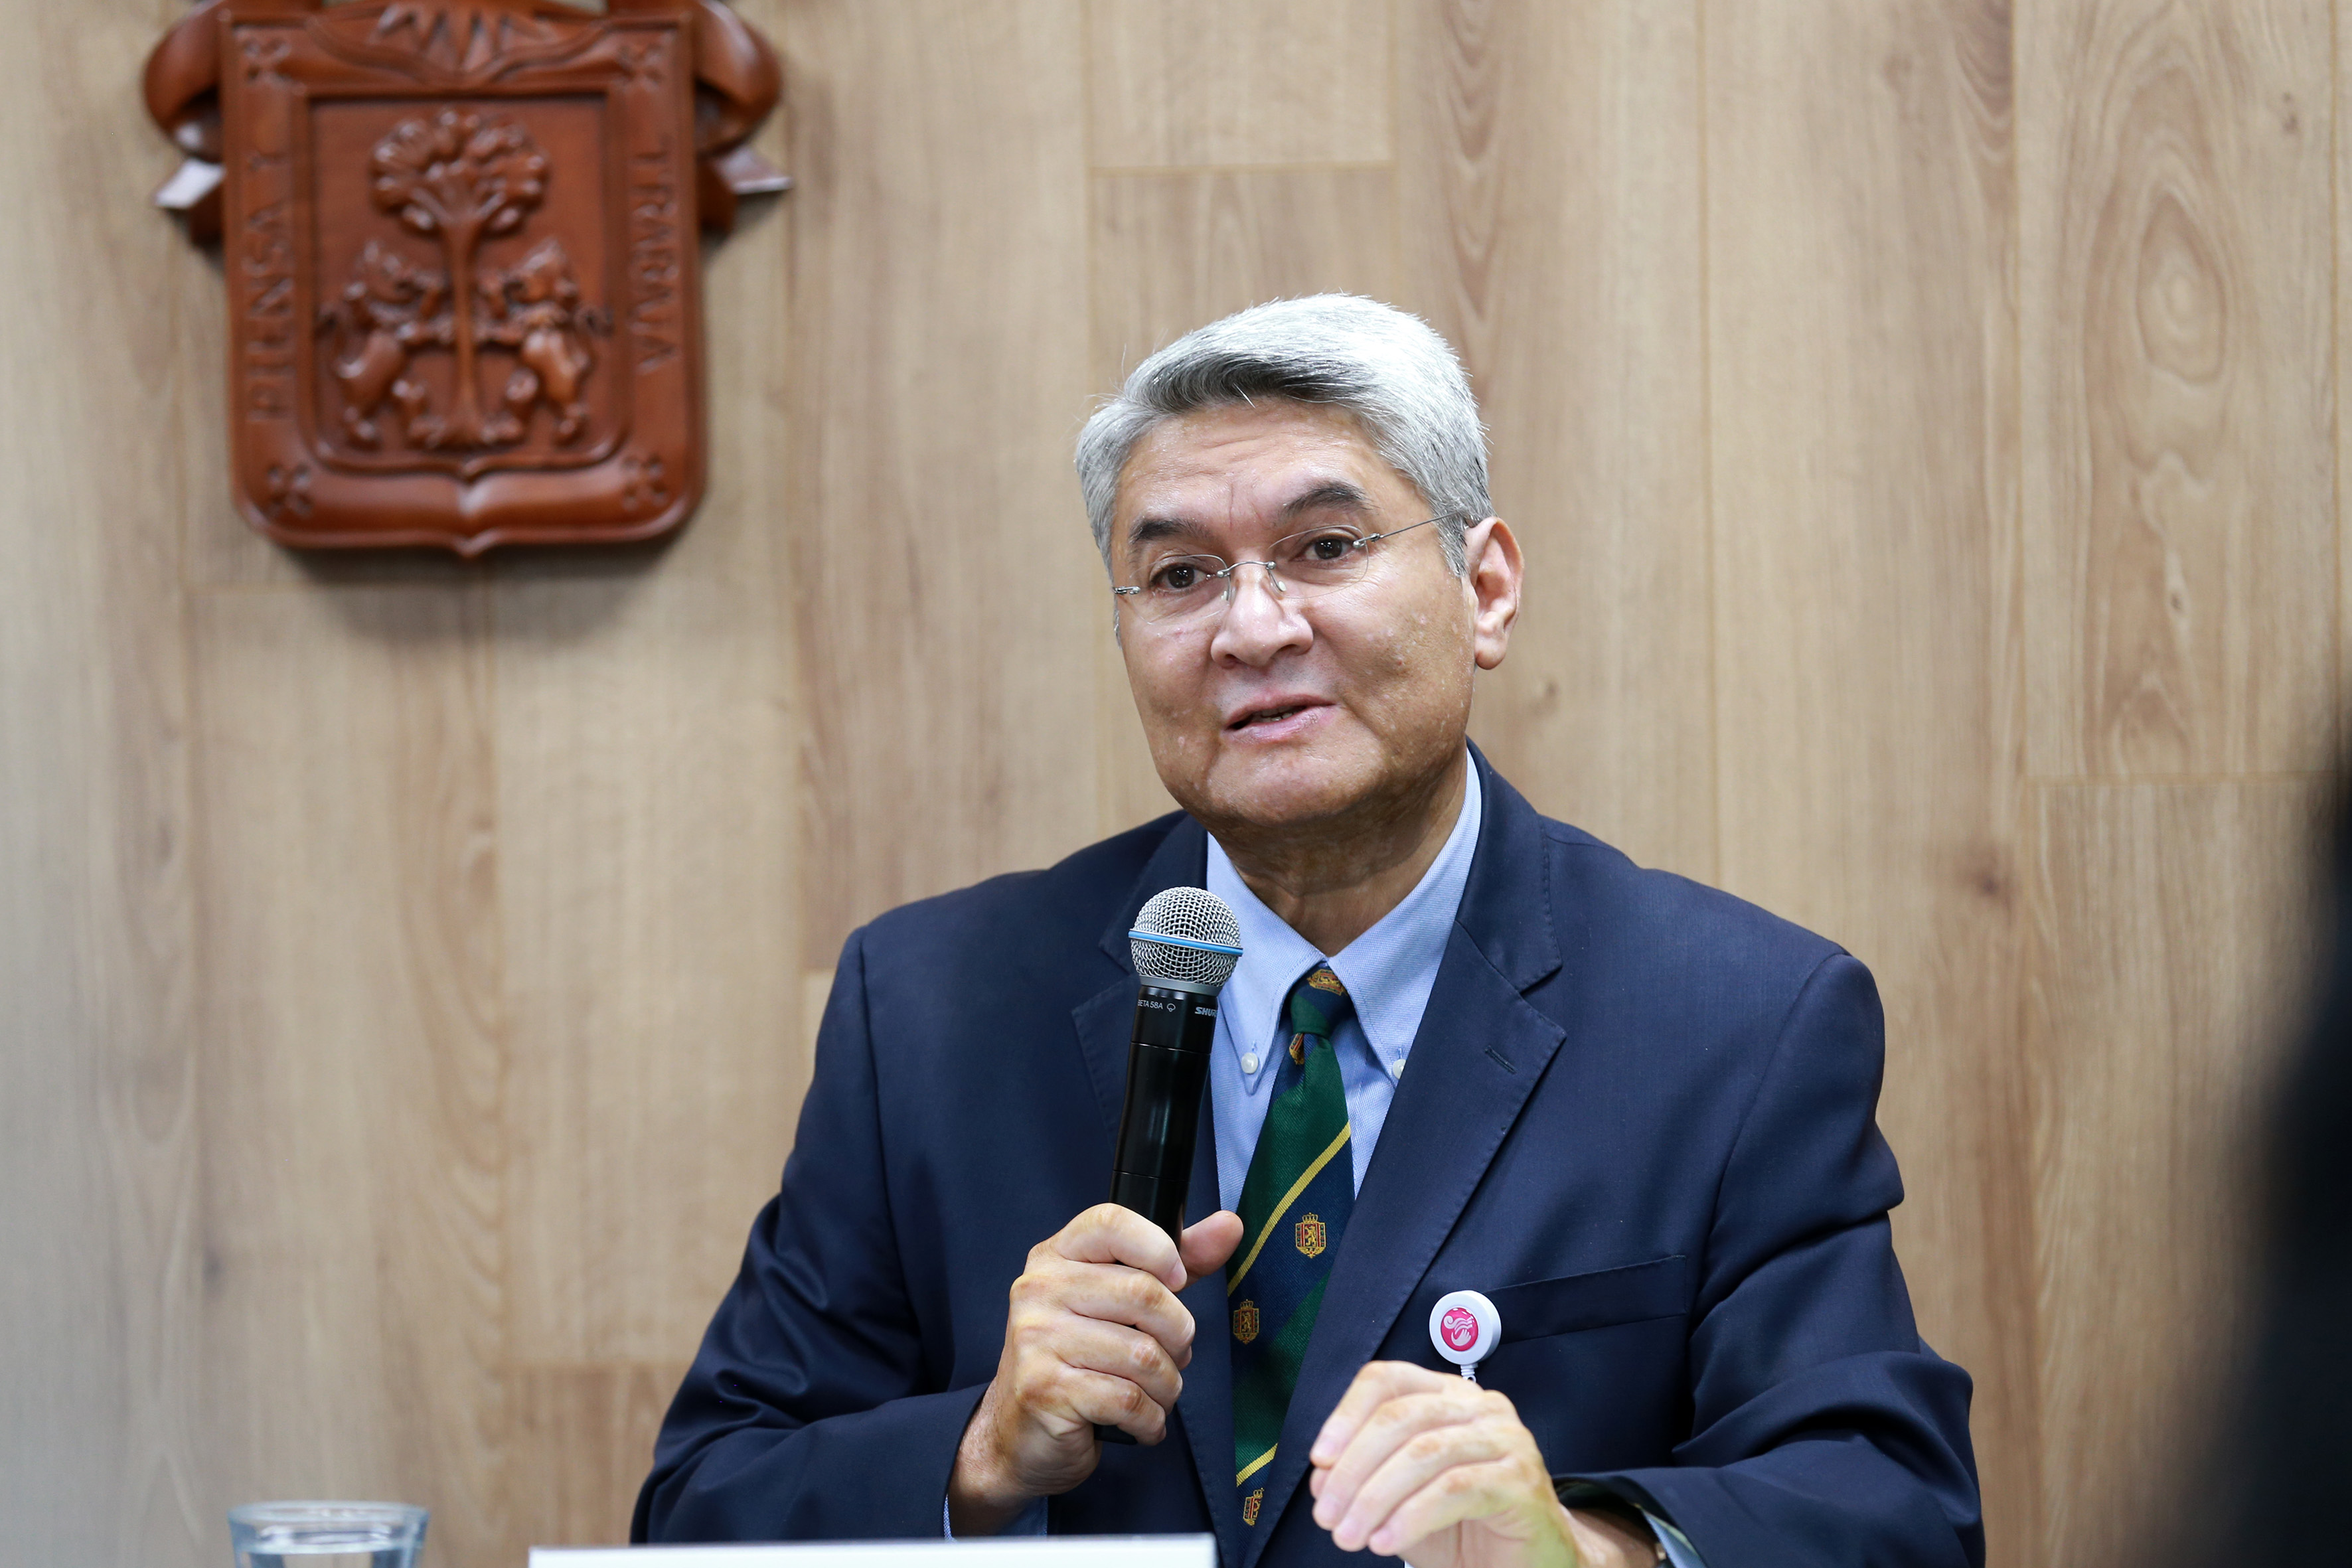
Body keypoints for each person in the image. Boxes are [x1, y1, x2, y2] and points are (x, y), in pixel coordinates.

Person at [634, 295, 1982, 1567]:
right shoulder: (928, 1007)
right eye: (1175, 574)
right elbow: (701, 1507)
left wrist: (1587, 1543)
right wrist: (978, 1453)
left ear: (1486, 587)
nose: (1250, 626)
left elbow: (1886, 1504)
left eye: (1323, 548)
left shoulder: (1733, 1018)